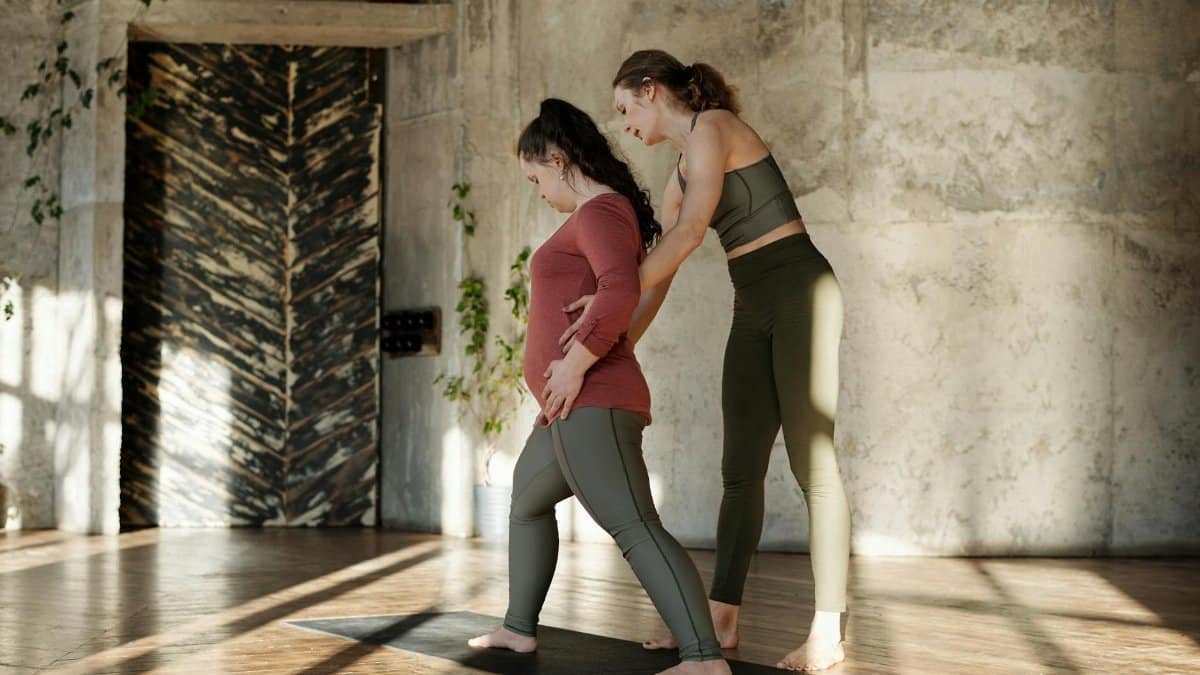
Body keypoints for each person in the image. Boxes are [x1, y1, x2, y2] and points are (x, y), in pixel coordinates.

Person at [553, 50, 852, 672]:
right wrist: (612, 340)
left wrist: (614, 292)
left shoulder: (713, 129)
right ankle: (722, 616)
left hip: (800, 288)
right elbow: (660, 275)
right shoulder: (681, 172)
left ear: (651, 89)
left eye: (625, 109)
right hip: (753, 301)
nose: (624, 124)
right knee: (739, 467)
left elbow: (689, 237)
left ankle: (828, 629)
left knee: (811, 462)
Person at [467, 98, 731, 675]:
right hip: (569, 408)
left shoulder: (601, 212)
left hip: (594, 401)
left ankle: (704, 658)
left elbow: (617, 291)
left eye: (536, 178)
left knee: (634, 525)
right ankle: (518, 628)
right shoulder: (594, 215)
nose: (537, 190)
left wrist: (573, 366)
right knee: (528, 502)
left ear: (558, 161)